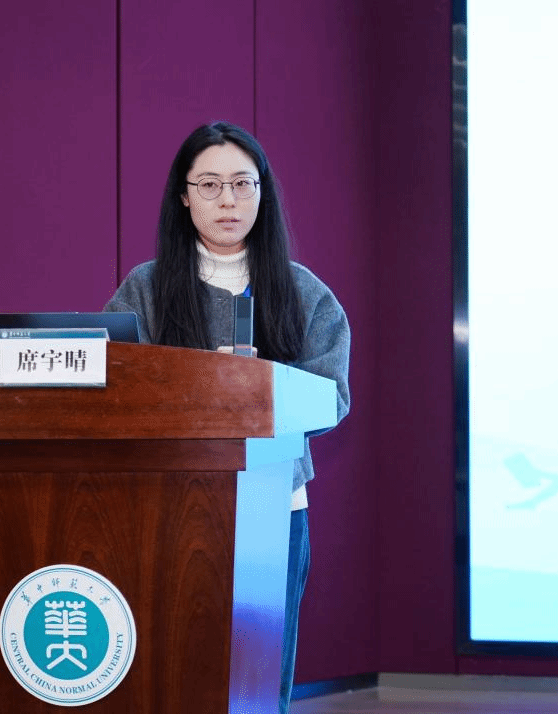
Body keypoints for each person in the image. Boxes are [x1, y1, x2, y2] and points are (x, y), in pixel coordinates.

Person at [104, 121, 351, 712]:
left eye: (242, 184)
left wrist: (253, 384)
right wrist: (199, 385)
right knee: (170, 668)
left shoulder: (302, 291)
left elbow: (332, 397)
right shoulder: (146, 288)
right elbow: (114, 383)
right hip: (167, 498)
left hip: (271, 501)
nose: (227, 201)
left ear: (263, 193)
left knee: (256, 680)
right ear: (184, 196)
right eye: (210, 185)